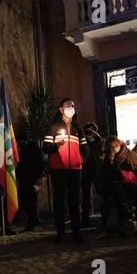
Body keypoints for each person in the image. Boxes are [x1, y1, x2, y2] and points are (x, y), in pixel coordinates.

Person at [43, 98, 89, 243]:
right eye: (68, 106)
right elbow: (46, 148)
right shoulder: (53, 127)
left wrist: (82, 159)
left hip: (75, 169)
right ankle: (61, 233)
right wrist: (56, 145)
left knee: (75, 200)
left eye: (73, 106)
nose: (71, 108)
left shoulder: (78, 127)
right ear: (61, 109)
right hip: (58, 169)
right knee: (60, 201)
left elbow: (85, 148)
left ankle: (77, 232)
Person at [102, 136, 137, 235]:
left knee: (119, 195)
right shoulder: (107, 158)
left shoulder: (129, 155)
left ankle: (124, 220)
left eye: (116, 146)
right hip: (114, 187)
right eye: (111, 147)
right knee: (116, 193)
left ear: (120, 145)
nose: (114, 149)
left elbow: (136, 172)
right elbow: (107, 174)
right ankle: (123, 219)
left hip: (128, 185)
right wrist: (111, 161)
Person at [17, 138, 45, 232]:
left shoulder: (28, 150)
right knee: (30, 202)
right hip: (30, 178)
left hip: (28, 179)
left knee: (28, 202)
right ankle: (33, 221)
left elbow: (40, 163)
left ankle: (32, 223)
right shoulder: (34, 149)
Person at [81, 122, 105, 228]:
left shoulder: (98, 141)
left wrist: (97, 136)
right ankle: (85, 220)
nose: (90, 132)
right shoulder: (82, 141)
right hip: (86, 172)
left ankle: (105, 218)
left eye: (93, 130)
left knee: (102, 193)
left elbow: (102, 146)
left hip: (97, 171)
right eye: (89, 130)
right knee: (85, 197)